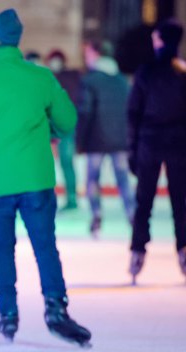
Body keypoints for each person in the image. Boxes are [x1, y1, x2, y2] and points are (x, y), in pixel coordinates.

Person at [0, 8, 91, 347]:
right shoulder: (40, 77)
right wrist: (46, 127)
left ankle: (7, 314)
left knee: (2, 247)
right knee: (44, 245)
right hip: (35, 178)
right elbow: (67, 120)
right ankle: (55, 307)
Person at [128, 19, 186, 281]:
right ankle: (183, 250)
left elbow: (133, 114)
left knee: (144, 201)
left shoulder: (146, 72)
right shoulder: (182, 72)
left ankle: (137, 251)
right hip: (177, 143)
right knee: (181, 202)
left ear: (162, 40)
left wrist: (132, 149)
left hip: (150, 143)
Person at [77, 40, 134, 237]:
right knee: (123, 180)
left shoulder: (91, 80)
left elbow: (85, 111)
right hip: (120, 138)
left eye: (87, 53)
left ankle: (96, 215)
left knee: (92, 179)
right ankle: (132, 215)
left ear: (95, 54)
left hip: (96, 138)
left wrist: (80, 140)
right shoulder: (121, 81)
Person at [46, 49, 81, 210]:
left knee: (66, 163)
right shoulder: (56, 77)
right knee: (63, 164)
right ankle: (69, 198)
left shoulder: (64, 78)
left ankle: (71, 199)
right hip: (60, 127)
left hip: (64, 128)